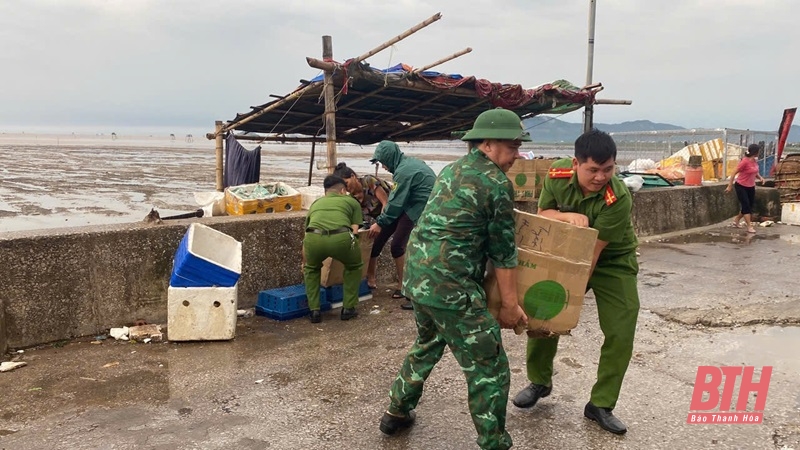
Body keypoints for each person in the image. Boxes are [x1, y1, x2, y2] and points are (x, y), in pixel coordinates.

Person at [379, 108, 529, 450]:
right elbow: (504, 254)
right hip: (451, 287)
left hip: (418, 279)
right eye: (513, 146)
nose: (517, 155)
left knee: (428, 342)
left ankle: (396, 411)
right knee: (488, 365)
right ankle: (494, 443)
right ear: (488, 144)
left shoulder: (452, 169)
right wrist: (509, 305)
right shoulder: (495, 183)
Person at [512, 129, 639, 436]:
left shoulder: (618, 198)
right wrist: (568, 217)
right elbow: (544, 213)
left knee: (621, 330)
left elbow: (593, 254)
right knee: (545, 308)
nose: (600, 177)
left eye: (608, 169)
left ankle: (601, 404)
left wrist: (573, 295)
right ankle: (539, 381)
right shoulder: (556, 175)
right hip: (563, 252)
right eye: (593, 170)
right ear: (576, 163)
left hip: (611, 261)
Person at [367, 140, 436, 310]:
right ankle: (373, 279)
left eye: (383, 162)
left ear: (390, 158)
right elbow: (396, 201)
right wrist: (381, 225)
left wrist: (380, 222)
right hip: (410, 204)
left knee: (398, 245)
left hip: (421, 206)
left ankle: (408, 289)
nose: (383, 167)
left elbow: (396, 203)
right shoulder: (406, 164)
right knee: (379, 236)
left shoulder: (404, 171)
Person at [302, 175, 363, 323]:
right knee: (354, 266)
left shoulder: (316, 203)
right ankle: (348, 309)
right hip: (340, 237)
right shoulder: (351, 201)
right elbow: (355, 230)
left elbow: (307, 231)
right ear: (343, 190)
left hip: (313, 238)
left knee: (311, 269)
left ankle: (314, 311)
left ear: (325, 192)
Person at [332, 162, 392, 288]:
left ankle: (401, 284)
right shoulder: (352, 198)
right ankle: (370, 277)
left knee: (398, 246)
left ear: (353, 176)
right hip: (380, 218)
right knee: (371, 243)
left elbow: (386, 203)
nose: (347, 189)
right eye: (344, 187)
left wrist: (379, 224)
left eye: (347, 184)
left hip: (395, 212)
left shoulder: (369, 181)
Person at [726, 144, 765, 233]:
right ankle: (749, 226)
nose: (759, 153)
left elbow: (755, 171)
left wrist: (760, 178)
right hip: (741, 186)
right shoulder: (744, 161)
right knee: (746, 206)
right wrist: (730, 185)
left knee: (748, 206)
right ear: (755, 152)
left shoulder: (754, 161)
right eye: (758, 151)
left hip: (751, 186)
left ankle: (736, 220)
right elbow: (733, 173)